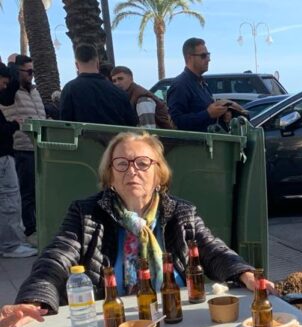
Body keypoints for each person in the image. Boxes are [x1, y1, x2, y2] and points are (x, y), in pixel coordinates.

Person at [15, 131, 259, 312]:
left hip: (177, 316)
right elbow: (56, 258)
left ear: (158, 175)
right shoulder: (86, 214)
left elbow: (213, 250)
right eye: (122, 164)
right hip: (114, 323)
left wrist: (245, 274)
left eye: (143, 163)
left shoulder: (181, 212)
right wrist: (34, 298)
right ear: (109, 175)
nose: (132, 171)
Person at [0, 55, 45, 243]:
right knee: (25, 192)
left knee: (38, 190)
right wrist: (11, 65)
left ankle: (39, 227)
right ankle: (30, 231)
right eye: (28, 71)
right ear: (18, 72)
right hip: (21, 146)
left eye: (33, 71)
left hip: (39, 147)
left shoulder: (33, 90)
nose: (32, 75)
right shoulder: (10, 90)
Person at [59, 44, 137, 126]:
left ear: (77, 65)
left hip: (83, 138)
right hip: (114, 138)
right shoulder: (118, 92)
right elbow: (131, 123)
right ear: (97, 63)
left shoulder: (69, 89)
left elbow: (65, 124)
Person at [167, 38, 228, 132]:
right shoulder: (180, 85)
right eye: (203, 56)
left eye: (208, 55)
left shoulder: (202, 83)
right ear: (189, 58)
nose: (208, 59)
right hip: (193, 145)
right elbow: (176, 121)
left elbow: (208, 115)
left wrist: (222, 115)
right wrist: (208, 114)